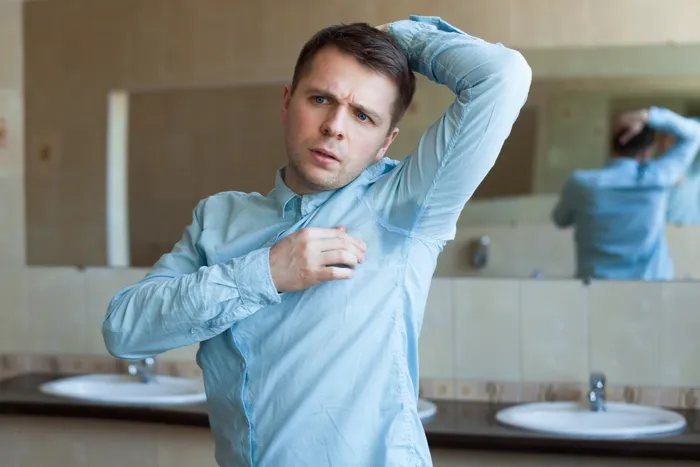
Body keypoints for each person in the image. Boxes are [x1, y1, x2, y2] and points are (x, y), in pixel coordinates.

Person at [102, 15, 531, 467]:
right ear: (288, 102)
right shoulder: (219, 219)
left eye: (362, 115)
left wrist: (401, 38)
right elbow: (124, 331)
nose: (335, 127)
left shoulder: (407, 206)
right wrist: (265, 272)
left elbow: (503, 76)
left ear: (385, 143)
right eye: (321, 99)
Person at [552, 107, 700, 281]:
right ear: (647, 152)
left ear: (612, 144)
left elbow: (560, 220)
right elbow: (694, 134)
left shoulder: (580, 184)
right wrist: (647, 116)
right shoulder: (658, 178)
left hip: (595, 293)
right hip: (652, 292)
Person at [667, 117, 700, 225]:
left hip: (690, 228)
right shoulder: (660, 167)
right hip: (665, 229)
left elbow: (695, 130)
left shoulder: (694, 167)